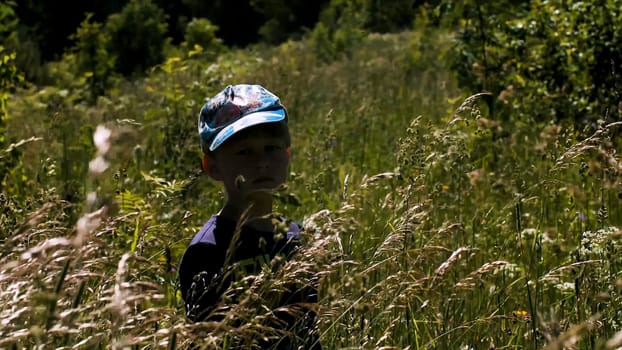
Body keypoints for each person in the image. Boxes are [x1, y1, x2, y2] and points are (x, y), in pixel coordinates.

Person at [178, 84, 321, 349]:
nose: (262, 162)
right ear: (212, 167)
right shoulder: (208, 250)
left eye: (271, 148)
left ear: (287, 154)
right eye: (244, 152)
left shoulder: (297, 237)